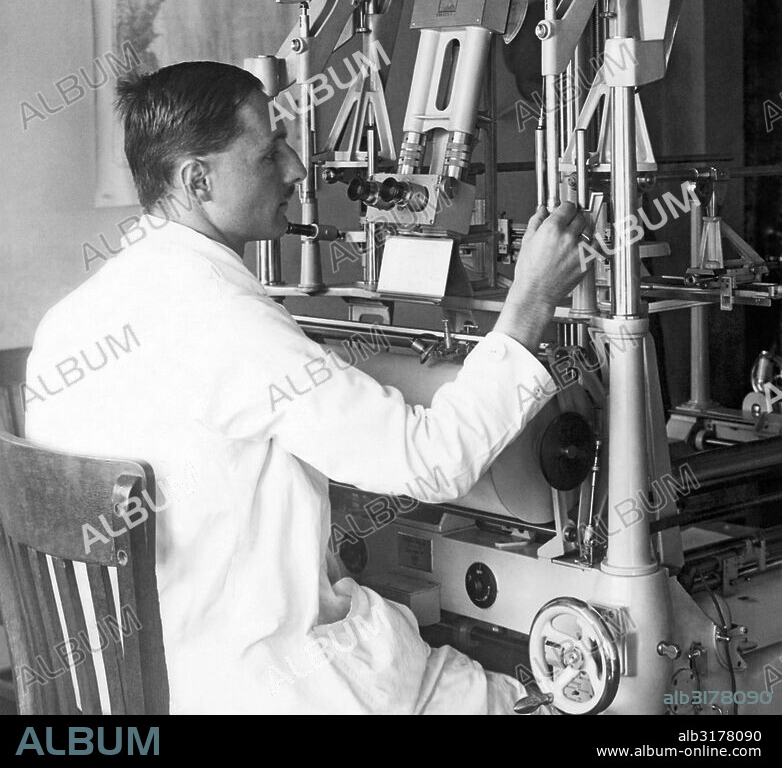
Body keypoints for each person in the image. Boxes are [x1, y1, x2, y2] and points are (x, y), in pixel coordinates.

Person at [25, 60, 590, 715]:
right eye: (268, 153)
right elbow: (431, 462)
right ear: (197, 179)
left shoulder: (70, 322)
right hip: (267, 684)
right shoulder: (222, 316)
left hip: (135, 686)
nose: (296, 169)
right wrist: (529, 305)